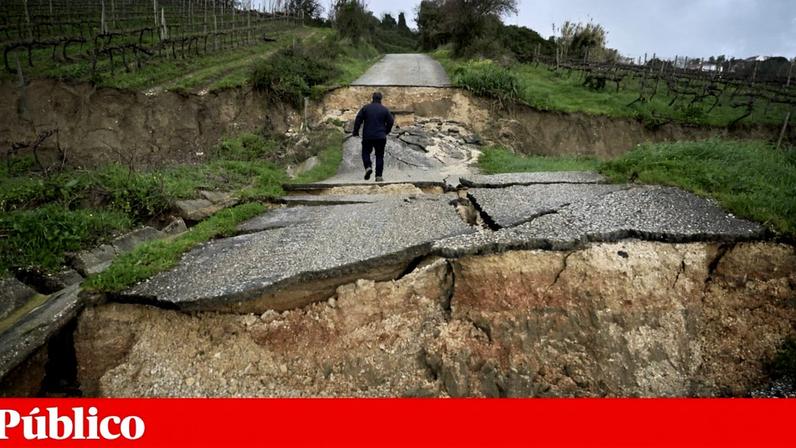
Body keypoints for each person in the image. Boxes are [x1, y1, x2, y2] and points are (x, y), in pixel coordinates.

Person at [353, 91, 394, 182]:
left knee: (365, 152)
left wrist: (355, 131)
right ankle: (378, 176)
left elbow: (358, 119)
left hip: (368, 136)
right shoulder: (384, 110)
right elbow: (391, 122)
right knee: (379, 156)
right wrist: (386, 131)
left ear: (372, 98)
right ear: (381, 99)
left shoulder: (366, 108)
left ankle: (368, 167)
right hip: (380, 136)